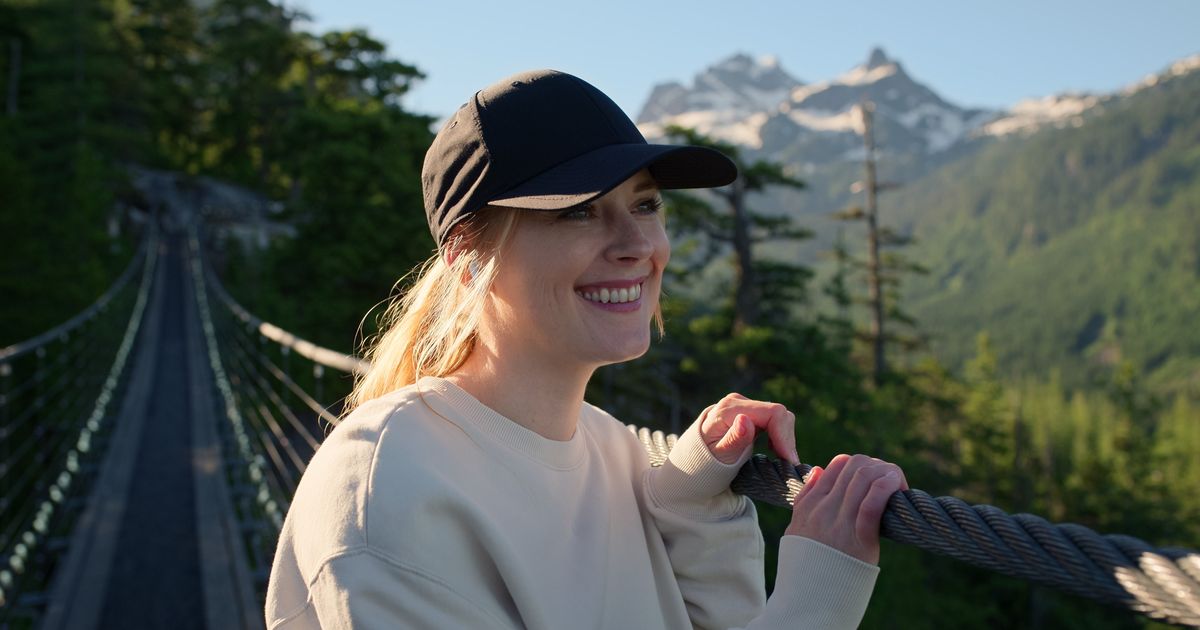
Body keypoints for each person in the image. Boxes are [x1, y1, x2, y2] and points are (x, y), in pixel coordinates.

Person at [265, 69, 907, 630]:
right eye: (577, 211)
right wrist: (815, 602)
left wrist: (692, 509)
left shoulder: (616, 453)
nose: (637, 244)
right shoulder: (388, 490)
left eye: (646, 204)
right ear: (468, 256)